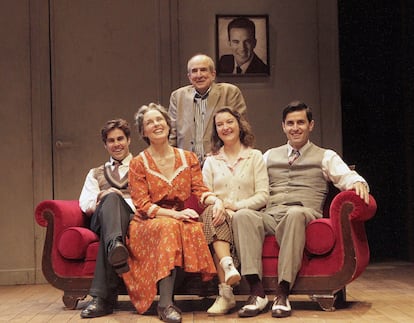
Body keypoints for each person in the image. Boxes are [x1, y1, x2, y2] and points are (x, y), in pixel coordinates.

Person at [232, 101, 370, 318]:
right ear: (283, 127)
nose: (295, 128)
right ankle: (257, 292)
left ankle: (283, 293)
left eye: (300, 123)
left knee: (294, 214)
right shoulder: (268, 155)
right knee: (243, 216)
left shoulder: (325, 156)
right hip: (271, 214)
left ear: (311, 125)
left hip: (304, 213)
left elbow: (346, 177)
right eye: (290, 123)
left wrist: (359, 182)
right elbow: (247, 180)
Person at [123, 103, 227, 323]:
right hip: (148, 221)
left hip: (179, 218)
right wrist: (172, 215)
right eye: (149, 122)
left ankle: (219, 292)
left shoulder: (188, 158)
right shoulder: (138, 163)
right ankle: (165, 304)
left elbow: (200, 191)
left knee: (198, 226)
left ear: (168, 125)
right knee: (170, 226)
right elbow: (141, 203)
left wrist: (216, 201)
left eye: (159, 120)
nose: (156, 124)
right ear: (143, 132)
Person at [201, 107, 269, 315]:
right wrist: (218, 203)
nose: (225, 127)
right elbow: (203, 193)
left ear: (239, 125)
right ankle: (228, 265)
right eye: (219, 124)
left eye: (229, 122)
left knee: (220, 217)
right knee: (212, 212)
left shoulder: (255, 156)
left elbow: (263, 195)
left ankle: (226, 294)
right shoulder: (211, 160)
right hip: (219, 215)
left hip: (246, 217)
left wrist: (236, 207)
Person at [79, 119, 135, 318]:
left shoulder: (142, 168)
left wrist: (122, 199)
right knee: (110, 197)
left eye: (120, 138)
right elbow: (85, 204)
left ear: (129, 140)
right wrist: (103, 196)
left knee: (112, 233)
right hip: (101, 221)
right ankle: (116, 245)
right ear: (105, 145)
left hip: (133, 221)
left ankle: (101, 299)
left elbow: (150, 200)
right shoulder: (95, 173)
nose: (116, 144)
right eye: (111, 140)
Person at [168, 54, 247, 164]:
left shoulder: (229, 93)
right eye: (194, 71)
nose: (199, 75)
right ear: (189, 77)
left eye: (203, 70)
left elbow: (240, 130)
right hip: (185, 165)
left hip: (221, 164)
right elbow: (172, 134)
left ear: (213, 74)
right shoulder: (177, 96)